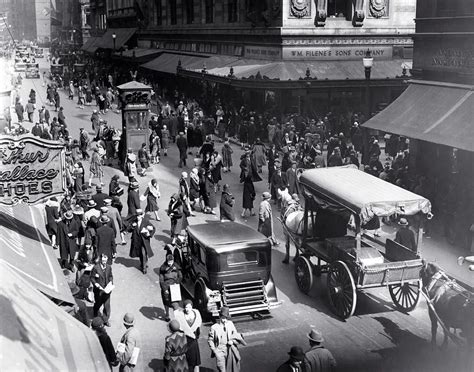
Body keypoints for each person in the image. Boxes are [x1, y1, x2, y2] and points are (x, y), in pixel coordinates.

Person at [208, 306, 245, 372]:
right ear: (219, 316)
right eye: (222, 317)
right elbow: (210, 340)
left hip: (230, 350)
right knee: (222, 369)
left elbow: (236, 336)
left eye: (225, 318)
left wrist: (232, 342)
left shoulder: (230, 324)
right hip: (220, 351)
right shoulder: (214, 327)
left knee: (232, 369)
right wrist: (215, 351)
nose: (224, 320)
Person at [174, 300, 202, 372]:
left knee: (196, 363)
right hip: (185, 341)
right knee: (187, 363)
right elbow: (178, 328)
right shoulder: (180, 316)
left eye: (189, 307)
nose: (187, 309)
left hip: (194, 341)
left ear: (192, 307)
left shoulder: (196, 313)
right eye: (186, 307)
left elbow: (198, 325)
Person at [128, 209, 155, 274]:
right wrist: (132, 226)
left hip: (144, 240)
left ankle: (144, 268)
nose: (138, 217)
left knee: (143, 253)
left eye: (139, 216)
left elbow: (153, 228)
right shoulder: (134, 221)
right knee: (140, 253)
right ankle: (144, 263)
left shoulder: (146, 221)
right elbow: (128, 230)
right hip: (136, 240)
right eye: (137, 216)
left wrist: (149, 234)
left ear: (142, 215)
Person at [91, 254, 114, 326]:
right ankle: (95, 312)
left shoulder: (109, 267)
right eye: (103, 260)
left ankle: (105, 319)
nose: (104, 261)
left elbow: (110, 276)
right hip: (99, 291)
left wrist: (111, 282)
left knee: (107, 306)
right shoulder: (95, 268)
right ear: (100, 259)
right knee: (98, 304)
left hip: (107, 290)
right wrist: (95, 284)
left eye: (105, 259)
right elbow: (92, 277)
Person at [159, 254, 183, 321]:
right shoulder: (163, 268)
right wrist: (164, 289)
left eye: (171, 261)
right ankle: (167, 314)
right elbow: (161, 280)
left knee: (175, 304)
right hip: (166, 287)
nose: (170, 263)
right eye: (169, 262)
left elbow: (180, 276)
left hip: (174, 287)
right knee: (166, 302)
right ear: (167, 261)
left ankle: (177, 319)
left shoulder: (176, 267)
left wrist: (177, 282)